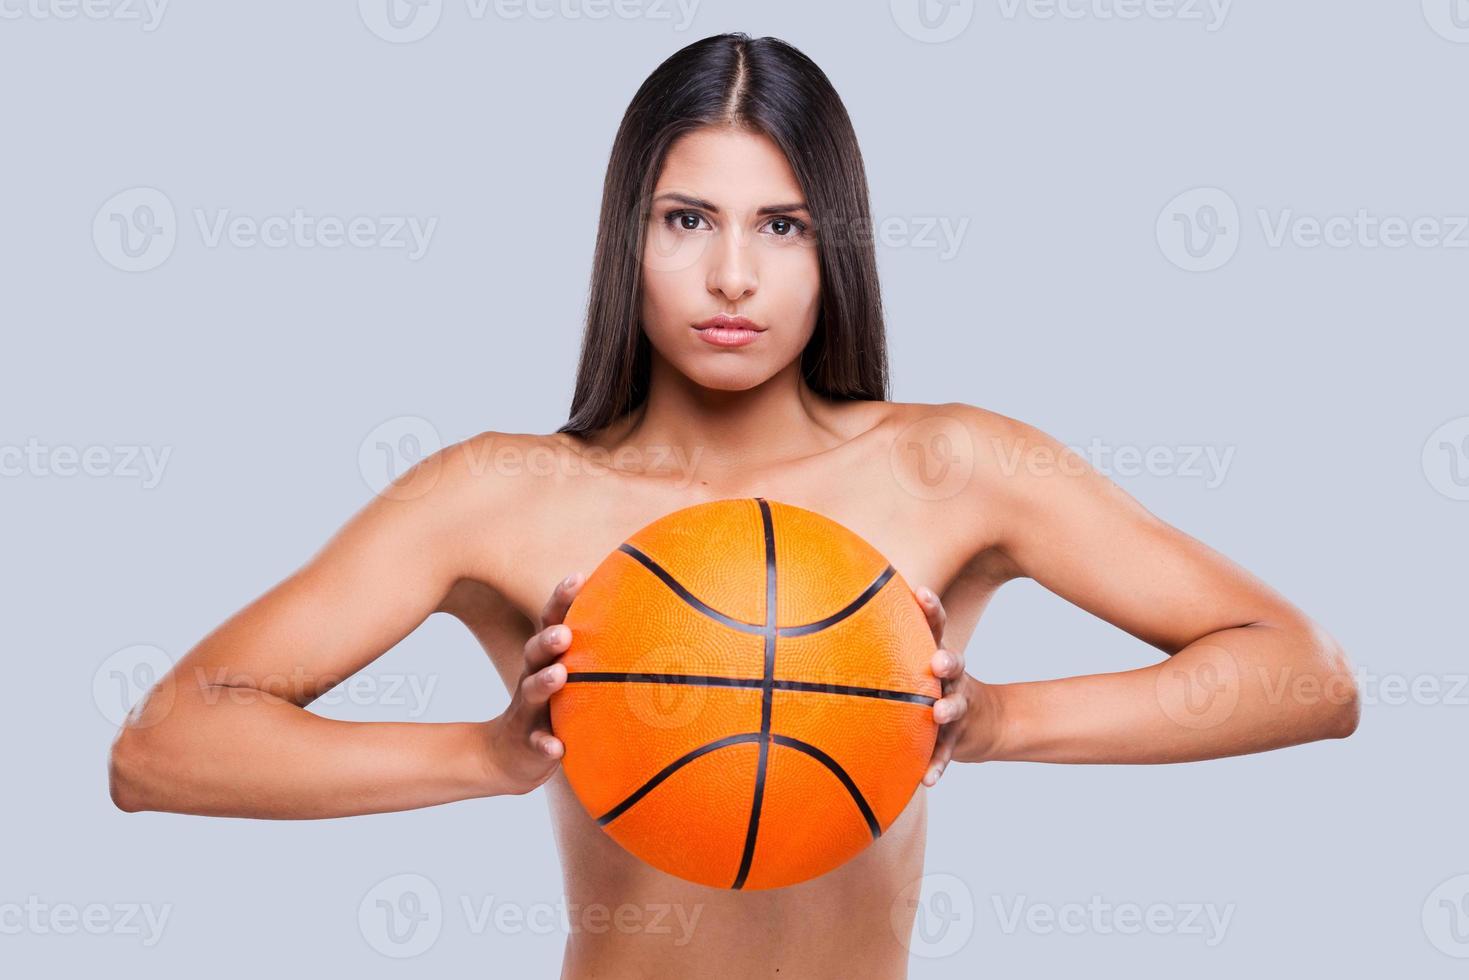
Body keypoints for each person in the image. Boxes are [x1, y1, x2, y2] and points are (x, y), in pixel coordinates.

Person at [107, 32, 1360, 978]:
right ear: (626, 238)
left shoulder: (956, 466)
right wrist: (486, 752)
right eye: (686, 218)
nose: (730, 274)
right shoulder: (498, 494)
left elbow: (1304, 673)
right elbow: (161, 746)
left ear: (837, 248)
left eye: (783, 225)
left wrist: (988, 719)